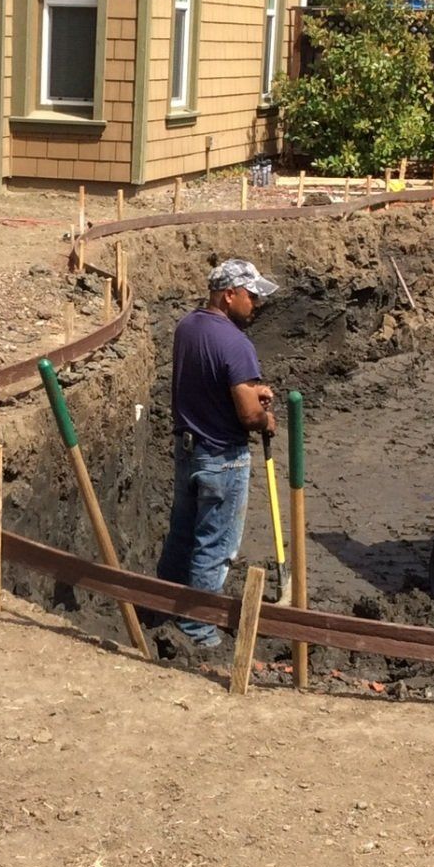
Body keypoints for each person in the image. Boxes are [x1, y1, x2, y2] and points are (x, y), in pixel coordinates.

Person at [154, 258, 279, 651]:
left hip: (188, 450)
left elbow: (209, 382)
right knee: (216, 545)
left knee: (182, 535)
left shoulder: (187, 327)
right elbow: (247, 415)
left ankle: (160, 606)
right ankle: (198, 629)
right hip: (223, 457)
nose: (255, 304)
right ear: (229, 295)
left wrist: (246, 390)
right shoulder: (236, 343)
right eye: (251, 295)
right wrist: (266, 418)